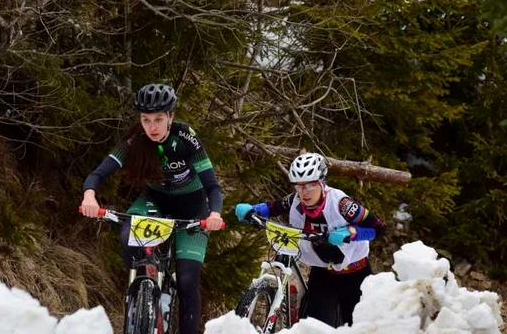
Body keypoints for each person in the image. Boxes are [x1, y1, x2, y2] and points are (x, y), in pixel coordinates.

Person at [80, 83, 224, 334]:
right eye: (146, 120)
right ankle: (145, 288)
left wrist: (215, 214)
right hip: (154, 202)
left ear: (171, 117)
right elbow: (98, 174)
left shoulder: (186, 137)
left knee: (188, 281)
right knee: (128, 237)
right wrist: (89, 196)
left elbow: (213, 186)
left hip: (192, 207)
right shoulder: (135, 139)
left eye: (158, 119)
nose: (152, 127)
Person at [234, 152, 385, 327]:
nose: (303, 193)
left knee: (359, 326)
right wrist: (252, 210)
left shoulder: (343, 205)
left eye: (310, 186)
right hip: (324, 272)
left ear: (321, 183)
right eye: (298, 187)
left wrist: (351, 232)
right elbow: (273, 207)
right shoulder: (296, 200)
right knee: (314, 327)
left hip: (354, 272)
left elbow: (378, 228)